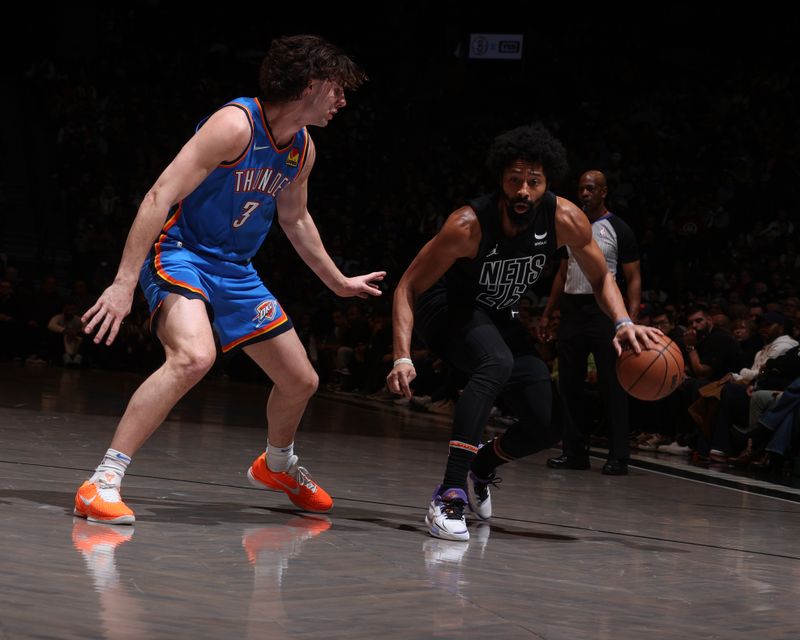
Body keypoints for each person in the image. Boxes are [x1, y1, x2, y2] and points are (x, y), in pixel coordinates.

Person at [74, 35, 385, 525]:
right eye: (337, 89)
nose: (343, 100)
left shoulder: (301, 150)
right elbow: (160, 194)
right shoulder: (234, 125)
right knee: (194, 357)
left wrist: (338, 281)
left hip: (236, 269)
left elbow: (296, 219)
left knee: (301, 380)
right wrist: (123, 281)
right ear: (309, 85)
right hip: (180, 253)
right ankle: (102, 482)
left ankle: (277, 464)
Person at [387, 124, 660, 541]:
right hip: (446, 309)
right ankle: (449, 493)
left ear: (547, 181)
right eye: (515, 180)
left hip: (496, 313)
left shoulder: (566, 219)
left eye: (534, 181)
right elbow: (408, 286)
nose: (524, 191)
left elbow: (602, 277)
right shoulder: (468, 224)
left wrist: (622, 321)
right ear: (502, 179)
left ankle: (482, 466)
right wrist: (403, 355)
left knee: (548, 422)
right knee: (494, 362)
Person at [540, 170, 641, 475]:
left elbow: (634, 278)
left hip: (603, 312)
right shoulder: (571, 228)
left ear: (603, 192)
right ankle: (574, 452)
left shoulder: (618, 228)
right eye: (581, 188)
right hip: (572, 308)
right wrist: (548, 311)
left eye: (590, 189)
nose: (584, 193)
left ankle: (618, 455)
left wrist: (629, 321)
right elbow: (562, 272)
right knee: (569, 382)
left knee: (612, 384)